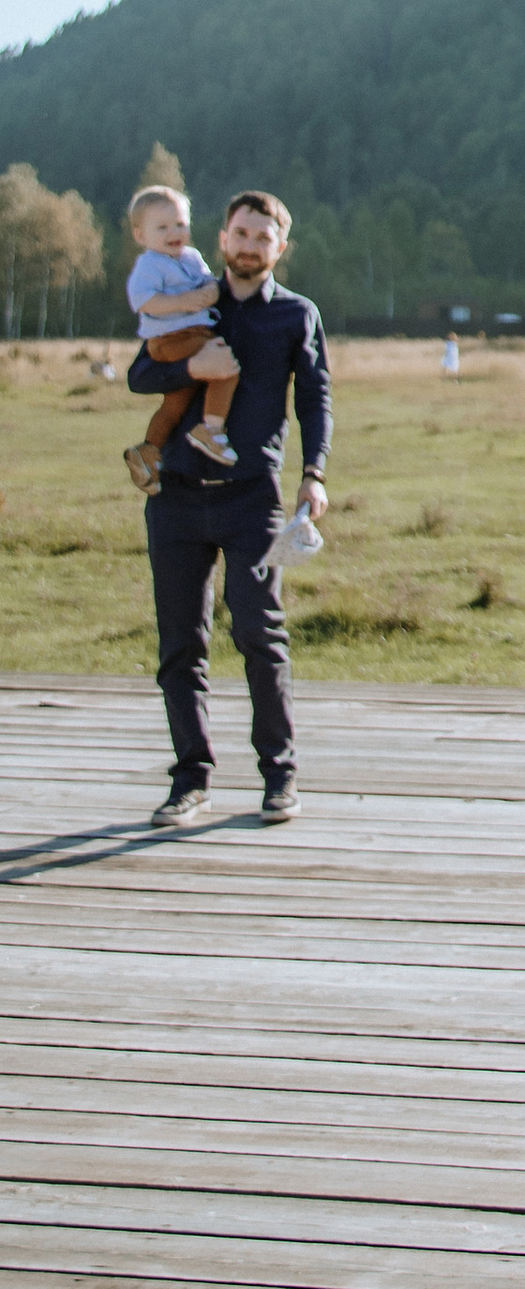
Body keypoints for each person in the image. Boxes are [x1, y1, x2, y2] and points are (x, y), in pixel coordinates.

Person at [137, 190, 330, 831]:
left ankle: (280, 776)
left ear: (279, 248)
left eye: (262, 238)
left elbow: (315, 402)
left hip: (253, 499)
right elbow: (142, 373)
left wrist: (314, 474)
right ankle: (190, 782)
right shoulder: (187, 301)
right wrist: (193, 363)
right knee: (180, 646)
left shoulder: (297, 316)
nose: (249, 246)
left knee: (259, 633)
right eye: (240, 234)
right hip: (176, 499)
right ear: (222, 239)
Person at [118, 180, 241, 487]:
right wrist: (182, 302)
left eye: (180, 224)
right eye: (162, 228)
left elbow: (207, 284)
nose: (174, 233)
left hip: (189, 332)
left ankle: (147, 452)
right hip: (171, 338)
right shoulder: (149, 265)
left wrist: (212, 291)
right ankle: (211, 429)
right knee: (225, 366)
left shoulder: (191, 258)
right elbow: (142, 300)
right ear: (140, 235)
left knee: (176, 402)